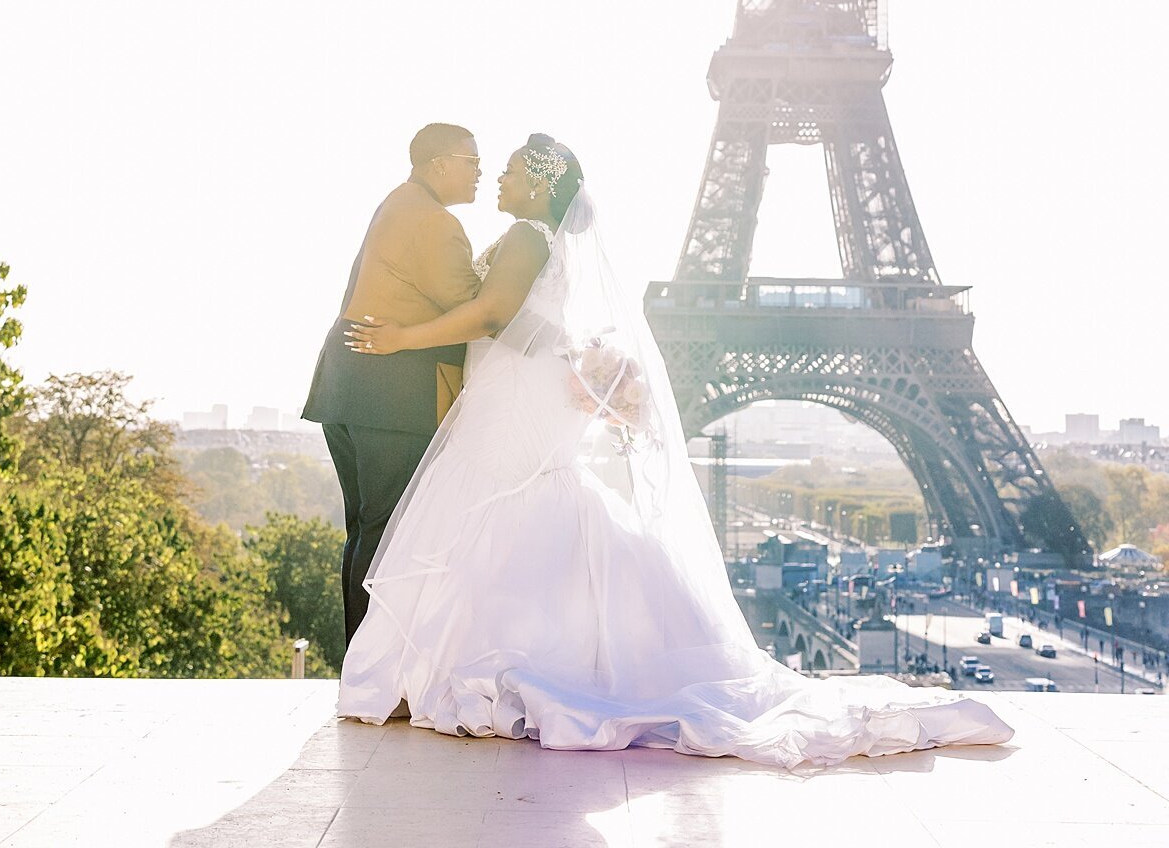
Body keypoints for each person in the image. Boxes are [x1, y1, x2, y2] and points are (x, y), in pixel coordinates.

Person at [336, 134, 1013, 769]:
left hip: (511, 402)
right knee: (527, 506)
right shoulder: (535, 238)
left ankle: (471, 664)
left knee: (494, 511)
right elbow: (526, 324)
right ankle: (524, 658)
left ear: (542, 186)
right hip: (517, 392)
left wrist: (403, 338)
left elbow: (491, 316)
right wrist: (580, 365)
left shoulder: (522, 235)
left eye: (512, 167)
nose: (501, 176)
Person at [302, 123, 481, 644]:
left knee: (364, 529)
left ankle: (359, 662)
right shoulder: (434, 222)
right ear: (439, 163)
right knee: (387, 534)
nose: (480, 173)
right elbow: (474, 307)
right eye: (472, 161)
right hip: (392, 396)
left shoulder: (397, 204)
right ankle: (371, 667)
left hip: (347, 385)